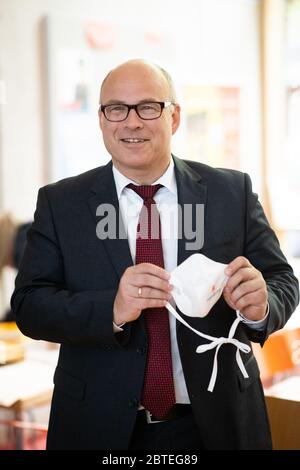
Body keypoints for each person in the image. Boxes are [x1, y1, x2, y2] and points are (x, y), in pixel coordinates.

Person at [11, 59, 299, 450]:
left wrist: (262, 305)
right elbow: (29, 305)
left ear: (174, 116)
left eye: (148, 107)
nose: (131, 122)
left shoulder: (230, 192)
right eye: (117, 109)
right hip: (98, 423)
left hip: (216, 423)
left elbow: (282, 280)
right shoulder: (62, 203)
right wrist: (112, 308)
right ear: (101, 119)